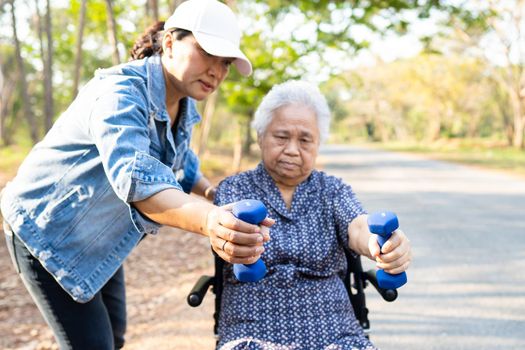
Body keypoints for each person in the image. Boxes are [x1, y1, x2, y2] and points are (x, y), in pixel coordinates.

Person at [0, 0, 272, 349]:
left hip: (100, 236)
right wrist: (211, 222)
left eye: (225, 63)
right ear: (170, 42)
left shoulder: (182, 103)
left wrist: (213, 195)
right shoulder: (119, 94)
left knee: (114, 336)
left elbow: (181, 161)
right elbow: (138, 183)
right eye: (208, 53)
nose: (217, 72)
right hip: (47, 230)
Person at [214, 80, 412, 350]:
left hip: (334, 330)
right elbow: (227, 233)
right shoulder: (235, 189)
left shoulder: (332, 190)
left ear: (318, 145)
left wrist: (381, 245)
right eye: (282, 137)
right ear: (260, 137)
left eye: (305, 140)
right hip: (253, 326)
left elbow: (357, 227)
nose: (293, 150)